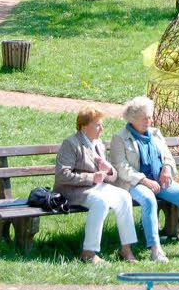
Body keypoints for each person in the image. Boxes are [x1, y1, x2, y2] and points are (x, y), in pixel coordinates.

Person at [110, 97, 179, 261]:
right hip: (135, 183)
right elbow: (122, 168)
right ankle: (155, 249)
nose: (149, 121)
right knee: (149, 200)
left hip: (160, 180)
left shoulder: (155, 133)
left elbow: (167, 156)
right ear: (132, 120)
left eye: (150, 117)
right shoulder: (120, 138)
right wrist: (144, 180)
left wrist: (166, 168)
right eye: (144, 118)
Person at [54, 106, 139, 263]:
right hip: (72, 191)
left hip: (95, 188)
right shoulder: (71, 143)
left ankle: (126, 250)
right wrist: (91, 177)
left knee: (124, 197)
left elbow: (110, 177)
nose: (102, 128)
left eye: (102, 124)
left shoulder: (98, 144)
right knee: (100, 203)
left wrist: (109, 171)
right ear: (84, 126)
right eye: (98, 124)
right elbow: (61, 175)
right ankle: (89, 253)